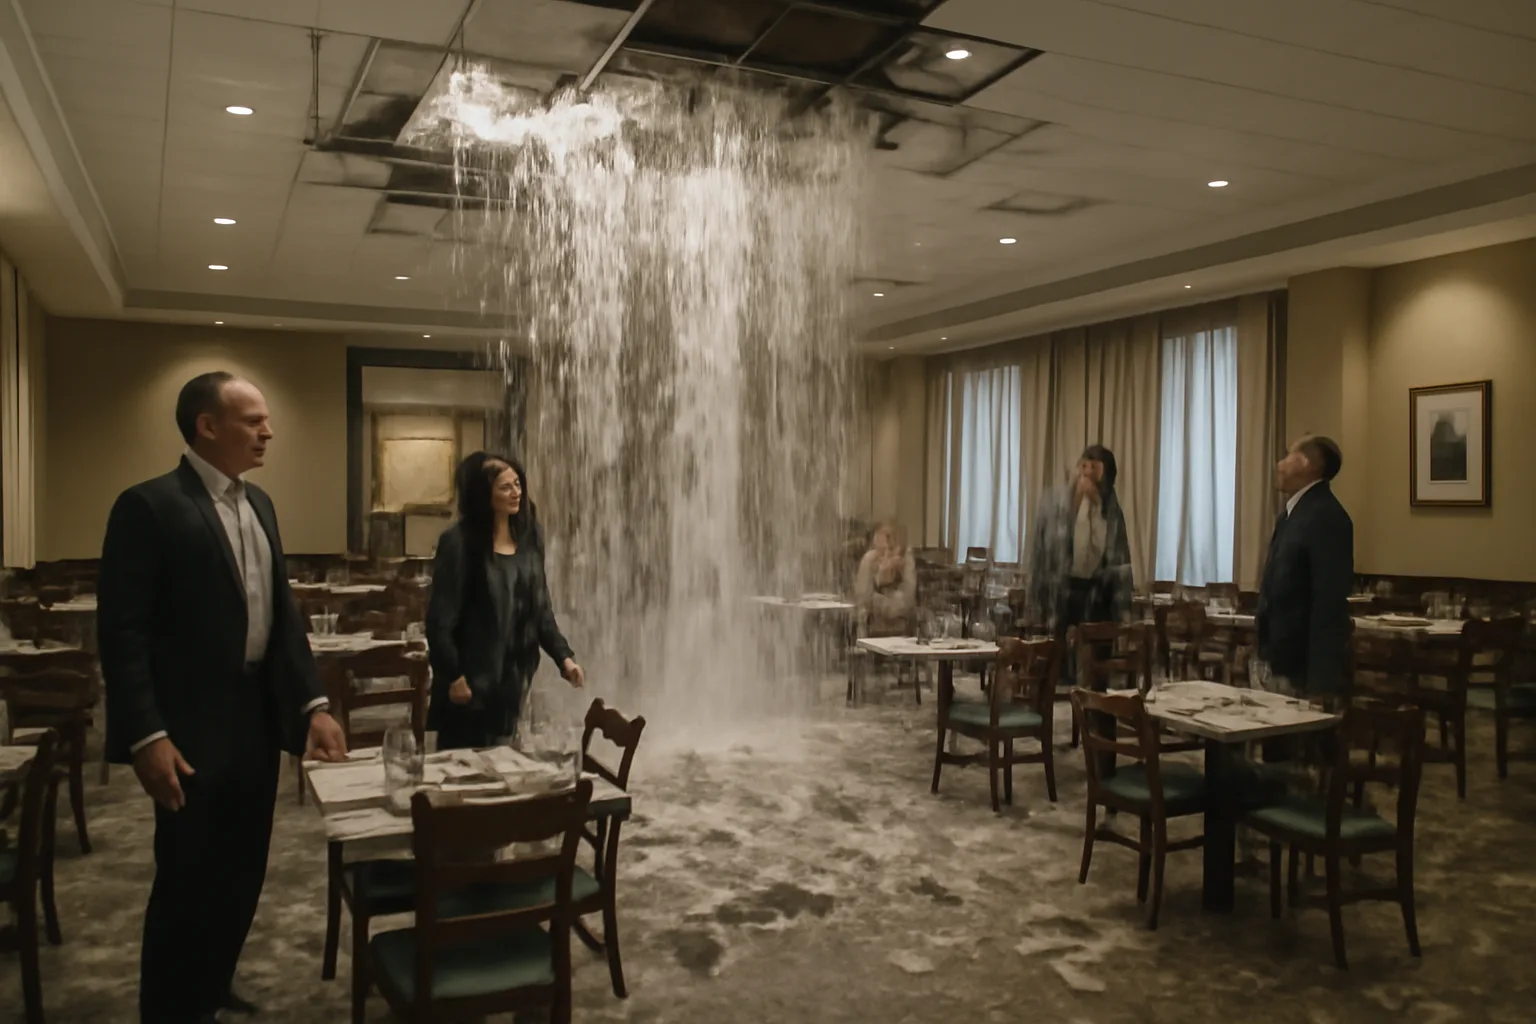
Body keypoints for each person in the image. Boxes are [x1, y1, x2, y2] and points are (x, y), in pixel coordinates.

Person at [99, 371, 348, 1024]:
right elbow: (122, 635)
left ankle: (211, 984)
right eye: (253, 420)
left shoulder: (258, 505)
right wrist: (146, 735)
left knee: (243, 871)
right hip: (187, 730)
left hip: (256, 721)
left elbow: (282, 618)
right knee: (185, 879)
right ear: (207, 427)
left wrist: (313, 705)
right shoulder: (149, 506)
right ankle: (170, 1009)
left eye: (267, 420)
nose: (268, 431)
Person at [427, 452, 584, 750]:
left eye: (518, 484)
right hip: (470, 682)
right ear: (483, 494)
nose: (516, 493)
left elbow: (541, 609)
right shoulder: (458, 543)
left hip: (513, 678)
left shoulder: (529, 538)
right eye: (505, 487)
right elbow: (439, 621)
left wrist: (564, 658)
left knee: (506, 764)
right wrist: (453, 675)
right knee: (464, 775)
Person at [1255, 435, 1354, 701]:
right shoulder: (1291, 515)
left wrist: (1321, 682)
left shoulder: (1325, 517)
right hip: (1279, 660)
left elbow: (1328, 603)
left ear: (1305, 464)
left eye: (1288, 456)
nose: (1279, 464)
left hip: (1302, 670)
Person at [1029, 444, 1135, 638]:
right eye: (1084, 467)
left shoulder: (1112, 510)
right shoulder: (1056, 503)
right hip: (1061, 595)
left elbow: (1121, 564)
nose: (1087, 474)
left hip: (1098, 598)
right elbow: (1040, 553)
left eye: (1095, 468)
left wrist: (1123, 612)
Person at [854, 522, 916, 636]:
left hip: (902, 635)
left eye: (891, 549)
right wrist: (878, 583)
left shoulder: (906, 561)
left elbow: (905, 604)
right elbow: (862, 601)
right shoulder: (868, 560)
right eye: (880, 551)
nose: (885, 557)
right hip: (872, 633)